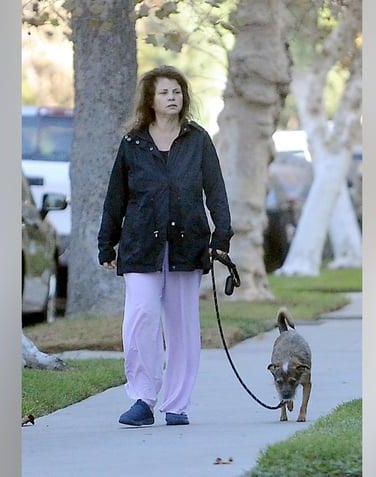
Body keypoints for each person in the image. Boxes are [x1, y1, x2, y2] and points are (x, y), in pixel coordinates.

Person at [98, 65, 233, 426]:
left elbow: (215, 190)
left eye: (177, 91)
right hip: (141, 244)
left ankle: (176, 404)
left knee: (182, 327)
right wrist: (106, 243)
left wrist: (222, 235)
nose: (172, 98)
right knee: (140, 317)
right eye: (164, 92)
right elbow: (116, 197)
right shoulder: (132, 143)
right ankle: (142, 398)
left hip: (187, 244)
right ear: (151, 100)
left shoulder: (198, 140)